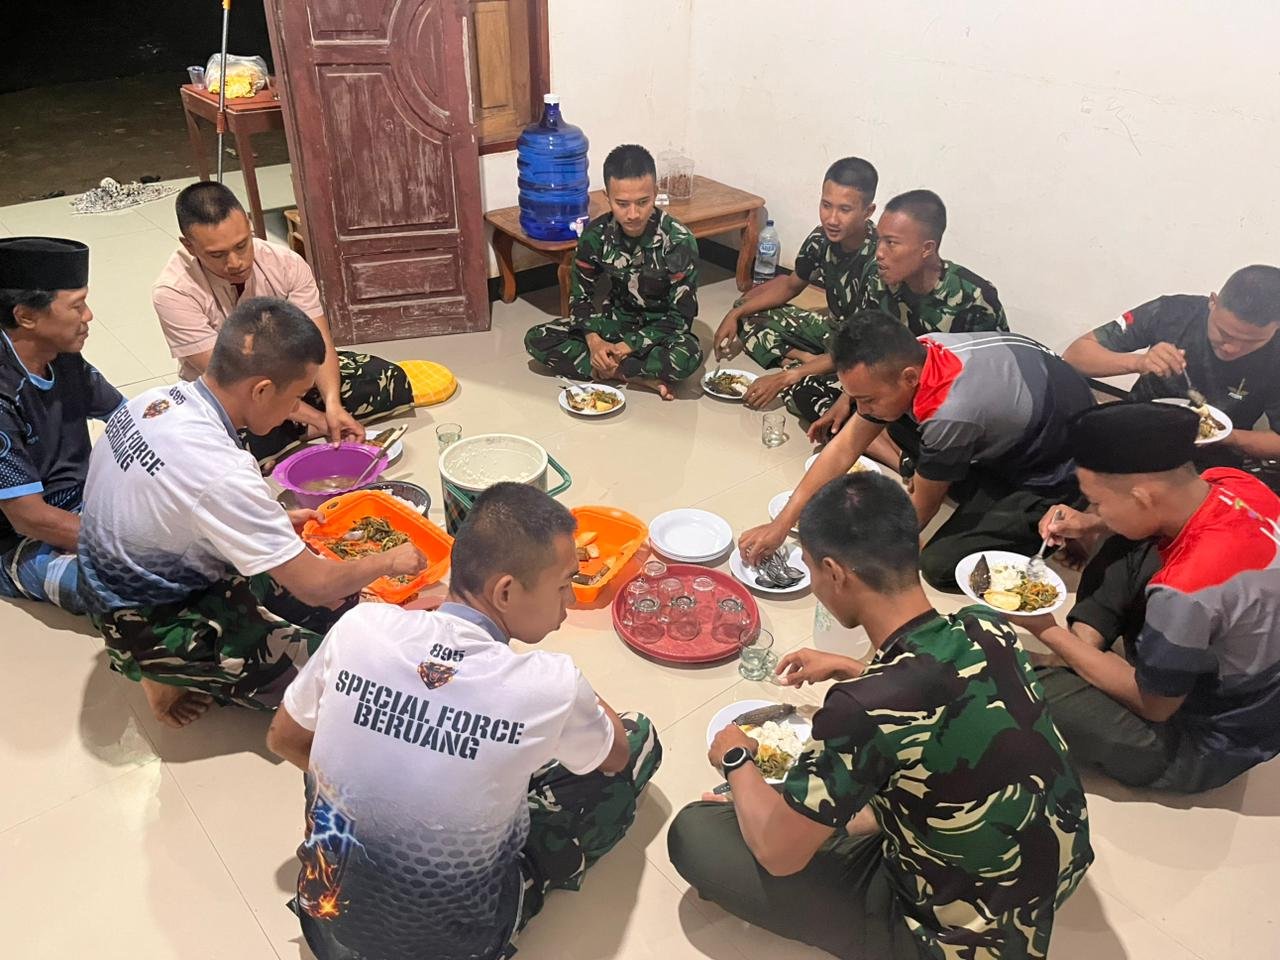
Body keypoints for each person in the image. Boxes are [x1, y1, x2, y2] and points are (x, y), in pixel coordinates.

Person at [669, 471, 1092, 960]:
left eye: (811, 569)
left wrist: (737, 759)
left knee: (695, 832)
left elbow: (778, 857)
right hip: (1052, 873)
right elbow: (947, 699)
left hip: (961, 936)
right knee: (810, 803)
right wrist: (855, 668)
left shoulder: (861, 709)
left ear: (835, 573)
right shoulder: (986, 626)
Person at [267, 482, 661, 960]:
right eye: (563, 585)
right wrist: (573, 687)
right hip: (450, 948)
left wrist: (365, 787)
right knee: (639, 739)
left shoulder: (360, 629)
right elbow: (614, 754)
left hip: (327, 924)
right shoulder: (547, 685)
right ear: (505, 591)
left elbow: (284, 738)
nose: (570, 601)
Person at [77, 297, 424, 729]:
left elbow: (177, 504)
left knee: (344, 602)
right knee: (350, 685)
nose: (296, 410)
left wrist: (269, 520)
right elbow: (315, 586)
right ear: (261, 390)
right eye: (296, 397)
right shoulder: (221, 471)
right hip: (144, 619)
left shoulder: (153, 402)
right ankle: (158, 668)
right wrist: (389, 560)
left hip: (114, 580)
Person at [1020, 401, 1280, 793]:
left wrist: (1045, 629)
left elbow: (1155, 706)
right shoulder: (1232, 482)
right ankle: (1083, 652)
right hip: (1244, 673)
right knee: (1134, 537)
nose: (1094, 508)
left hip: (1206, 742)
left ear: (1143, 496)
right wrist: (1093, 523)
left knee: (1013, 677)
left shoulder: (1186, 590)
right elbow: (1152, 522)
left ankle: (1074, 656)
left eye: (1097, 501)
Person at [741, 311, 1095, 590]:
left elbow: (921, 511)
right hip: (1014, 431)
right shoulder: (919, 350)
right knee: (891, 418)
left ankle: (1051, 519)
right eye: (856, 397)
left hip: (1056, 472)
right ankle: (948, 474)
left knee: (940, 565)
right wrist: (781, 523)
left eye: (867, 398)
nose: (862, 408)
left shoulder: (950, 411)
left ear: (910, 377)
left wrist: (856, 561)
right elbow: (846, 444)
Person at [152, 182, 413, 462]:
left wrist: (333, 405)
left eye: (242, 245)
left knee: (389, 379)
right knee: (221, 444)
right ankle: (297, 427)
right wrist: (319, 419)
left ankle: (290, 432)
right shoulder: (173, 292)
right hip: (237, 399)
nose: (236, 262)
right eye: (218, 254)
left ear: (249, 225)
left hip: (292, 379)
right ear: (189, 246)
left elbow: (319, 344)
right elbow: (233, 381)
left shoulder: (285, 263)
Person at [1061, 265, 1280, 486]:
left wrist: (1226, 436)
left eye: (1253, 342)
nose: (1232, 348)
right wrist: (1137, 362)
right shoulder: (1172, 312)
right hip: (1136, 429)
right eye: (1224, 333)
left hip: (1210, 460)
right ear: (1213, 302)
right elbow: (1075, 355)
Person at [0, 237, 122, 615]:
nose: (89, 316)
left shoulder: (62, 356)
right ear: (26, 316)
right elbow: (28, 517)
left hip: (83, 504)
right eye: (77, 305)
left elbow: (127, 418)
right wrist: (125, 545)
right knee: (123, 587)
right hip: (19, 539)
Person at [524, 144, 702, 401]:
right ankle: (633, 375)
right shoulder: (595, 236)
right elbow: (580, 298)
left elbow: (680, 318)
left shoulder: (678, 240)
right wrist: (594, 342)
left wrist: (625, 348)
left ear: (655, 192)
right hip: (616, 322)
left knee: (687, 357)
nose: (633, 214)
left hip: (660, 331)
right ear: (607, 197)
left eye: (643, 202)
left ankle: (607, 369)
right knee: (537, 338)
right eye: (622, 204)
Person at [712, 157, 879, 421]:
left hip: (863, 352)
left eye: (845, 209)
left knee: (800, 394)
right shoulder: (821, 238)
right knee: (748, 312)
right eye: (826, 205)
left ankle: (804, 366)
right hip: (833, 333)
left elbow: (863, 348)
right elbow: (791, 286)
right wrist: (735, 313)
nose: (832, 219)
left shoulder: (880, 262)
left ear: (868, 211)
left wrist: (787, 377)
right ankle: (808, 359)